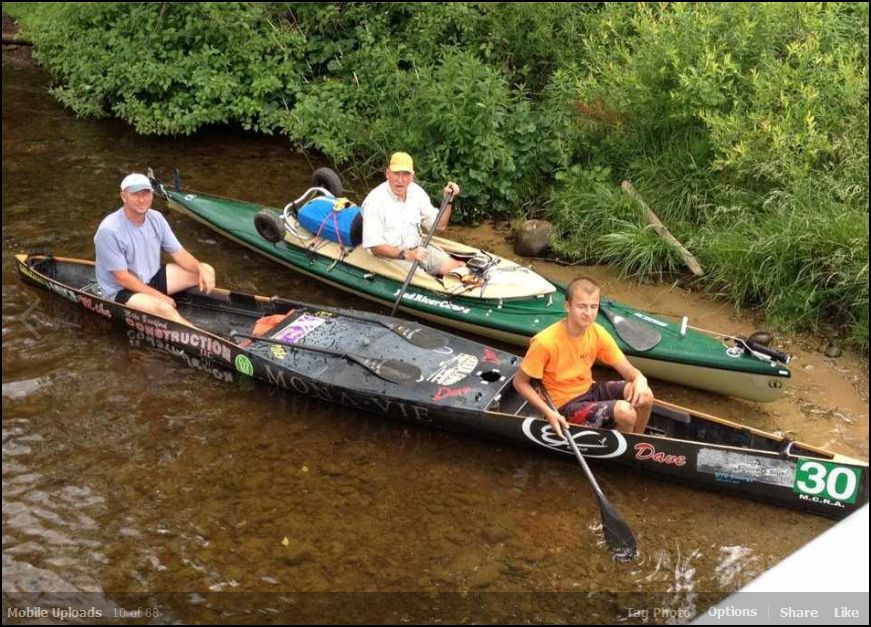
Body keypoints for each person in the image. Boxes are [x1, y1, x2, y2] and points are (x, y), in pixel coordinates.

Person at [513, 276, 654, 437]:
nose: (588, 313)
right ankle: (626, 451)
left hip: (588, 390)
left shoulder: (598, 332)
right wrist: (548, 412)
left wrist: (640, 378)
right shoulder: (545, 342)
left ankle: (637, 442)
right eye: (582, 306)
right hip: (562, 405)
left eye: (593, 307)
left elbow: (628, 370)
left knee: (646, 396)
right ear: (568, 306)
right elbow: (520, 383)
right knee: (626, 412)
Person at [94, 172, 215, 326]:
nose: (141, 199)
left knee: (205, 270)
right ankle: (201, 339)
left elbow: (179, 253)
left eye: (146, 193)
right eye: (135, 195)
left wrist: (201, 268)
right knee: (164, 309)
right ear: (124, 197)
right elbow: (122, 278)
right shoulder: (109, 230)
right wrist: (159, 297)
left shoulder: (156, 218)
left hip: (152, 277)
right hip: (122, 290)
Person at [361, 151, 465, 276]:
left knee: (459, 268)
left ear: (412, 176)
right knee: (427, 283)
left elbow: (440, 226)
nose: (400, 180)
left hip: (419, 249)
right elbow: (376, 248)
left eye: (405, 174)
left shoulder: (416, 192)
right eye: (396, 173)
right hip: (390, 257)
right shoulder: (374, 201)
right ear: (387, 174)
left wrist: (448, 200)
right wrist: (406, 254)